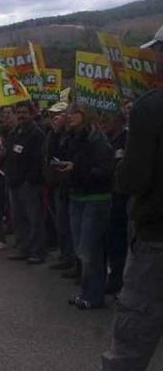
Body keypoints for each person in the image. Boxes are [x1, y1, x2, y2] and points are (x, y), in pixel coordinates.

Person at [99, 23, 163, 371]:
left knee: (131, 341)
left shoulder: (150, 107)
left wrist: (121, 165)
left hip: (156, 237)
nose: (152, 59)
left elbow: (135, 179)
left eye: (157, 52)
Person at [57, 102, 115, 310]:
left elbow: (105, 171)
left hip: (95, 199)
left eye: (74, 113)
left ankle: (94, 295)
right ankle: (87, 292)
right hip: (77, 197)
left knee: (91, 249)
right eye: (68, 113)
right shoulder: (72, 138)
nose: (69, 116)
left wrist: (76, 169)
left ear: (85, 116)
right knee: (82, 248)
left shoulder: (98, 141)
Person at [4, 100, 47, 265]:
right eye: (19, 112)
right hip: (14, 182)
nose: (21, 115)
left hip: (29, 184)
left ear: (32, 113)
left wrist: (28, 179)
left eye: (24, 112)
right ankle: (23, 248)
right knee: (18, 218)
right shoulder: (14, 132)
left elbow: (37, 161)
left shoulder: (37, 134)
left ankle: (37, 251)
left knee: (34, 218)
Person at [43, 103, 76, 273]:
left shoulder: (71, 134)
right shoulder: (54, 134)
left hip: (69, 184)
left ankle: (72, 258)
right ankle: (65, 255)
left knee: (70, 224)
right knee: (61, 222)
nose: (54, 118)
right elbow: (50, 153)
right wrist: (55, 132)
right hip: (57, 183)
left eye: (58, 115)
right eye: (51, 115)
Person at [100, 110, 128, 295]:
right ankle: (114, 277)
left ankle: (119, 278)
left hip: (122, 196)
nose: (103, 122)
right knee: (111, 240)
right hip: (109, 194)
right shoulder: (106, 139)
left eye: (106, 119)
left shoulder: (127, 138)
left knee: (120, 240)